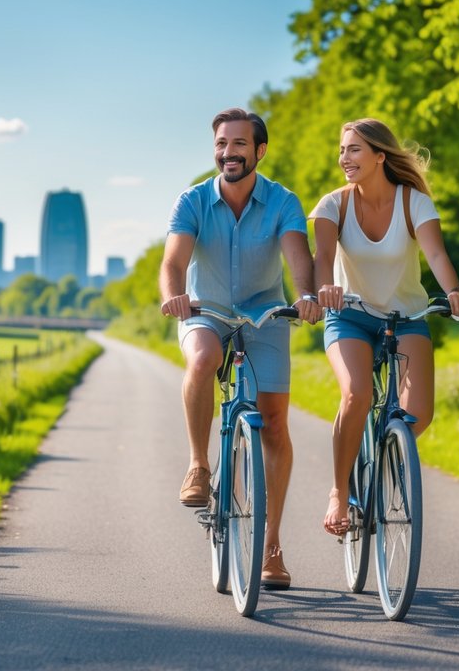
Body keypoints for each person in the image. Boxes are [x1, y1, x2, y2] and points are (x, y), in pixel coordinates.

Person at [159, 106, 323, 590]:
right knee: (205, 358)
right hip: (204, 310)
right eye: (221, 145)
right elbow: (173, 261)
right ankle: (198, 464)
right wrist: (174, 294)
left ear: (259, 150)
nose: (227, 153)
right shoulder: (191, 201)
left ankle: (271, 546)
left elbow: (298, 257)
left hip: (266, 314)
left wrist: (307, 295)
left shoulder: (283, 201)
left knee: (274, 424)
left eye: (238, 145)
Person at [310, 118, 459, 538]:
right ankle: (339, 492)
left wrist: (453, 290)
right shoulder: (333, 205)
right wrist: (325, 287)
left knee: (418, 413)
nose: (344, 158)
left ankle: (386, 450)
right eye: (342, 150)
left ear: (381, 155)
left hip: (407, 317)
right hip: (349, 314)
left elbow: (435, 253)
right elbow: (322, 258)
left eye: (354, 150)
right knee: (356, 393)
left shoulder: (413, 202)